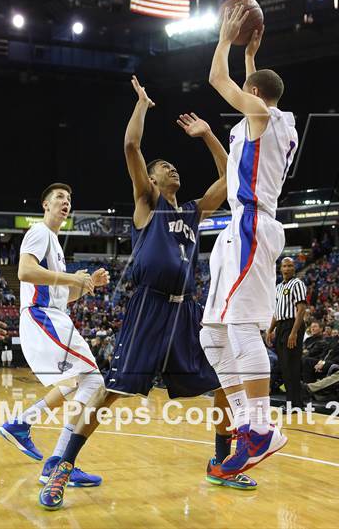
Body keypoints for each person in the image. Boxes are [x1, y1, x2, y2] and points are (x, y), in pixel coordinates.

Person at [39, 75, 256, 511]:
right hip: (149, 307)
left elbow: (231, 178)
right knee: (113, 390)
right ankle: (61, 465)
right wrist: (141, 105)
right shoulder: (148, 203)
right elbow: (131, 148)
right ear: (152, 180)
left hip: (186, 313)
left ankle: (219, 462)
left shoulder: (193, 211)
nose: (171, 168)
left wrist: (210, 135)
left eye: (174, 167)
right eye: (164, 167)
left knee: (220, 384)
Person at [199, 5, 297, 480]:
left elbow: (219, 79)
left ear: (255, 95)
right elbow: (252, 92)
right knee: (213, 334)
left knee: (240, 328)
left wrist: (224, 38)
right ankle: (245, 422)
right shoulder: (268, 117)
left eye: (249, 88)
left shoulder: (260, 114)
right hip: (240, 229)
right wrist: (252, 57)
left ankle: (262, 428)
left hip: (251, 226)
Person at [0, 183, 110, 488]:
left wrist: (88, 285)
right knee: (94, 381)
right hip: (41, 315)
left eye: (69, 199)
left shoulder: (56, 245)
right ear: (45, 205)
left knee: (80, 382)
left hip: (52, 314)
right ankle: (57, 461)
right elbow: (24, 271)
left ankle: (24, 426)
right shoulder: (38, 232)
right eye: (60, 197)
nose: (66, 202)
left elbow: (62, 295)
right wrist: (72, 277)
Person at [267, 257, 307, 411]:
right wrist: (270, 330)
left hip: (293, 325)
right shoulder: (278, 287)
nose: (288, 268)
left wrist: (294, 332)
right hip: (281, 326)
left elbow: (301, 309)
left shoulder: (297, 283)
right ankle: (292, 403)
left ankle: (295, 404)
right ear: (281, 269)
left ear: (294, 268)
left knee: (292, 366)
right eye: (285, 266)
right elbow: (277, 313)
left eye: (291, 266)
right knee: (285, 366)